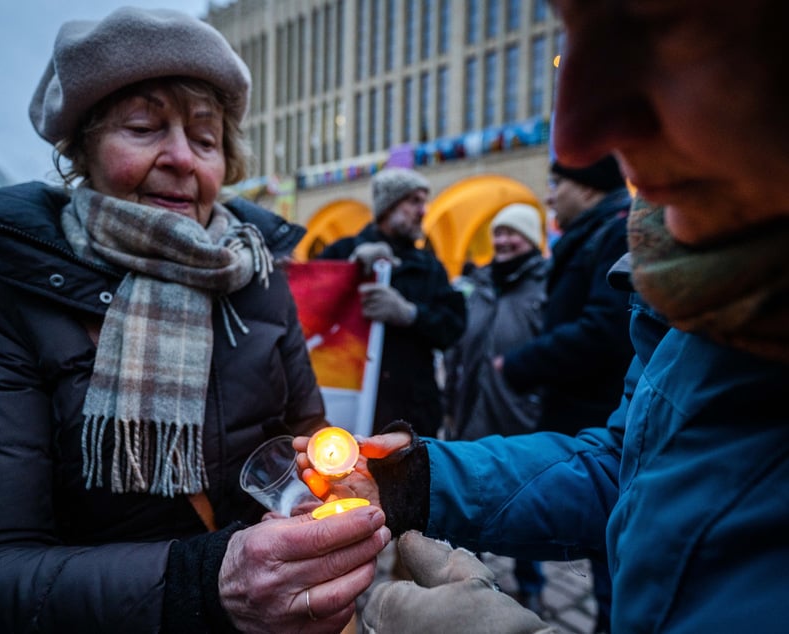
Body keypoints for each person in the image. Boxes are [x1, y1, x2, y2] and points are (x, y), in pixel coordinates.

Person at [297, 0, 789, 631]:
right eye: (572, 42)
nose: (576, 131)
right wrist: (420, 482)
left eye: (664, 28)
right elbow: (632, 466)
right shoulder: (694, 271)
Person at [0, 8, 389, 633]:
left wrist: (335, 492)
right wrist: (205, 583)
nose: (183, 158)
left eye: (206, 140)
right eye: (143, 127)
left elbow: (303, 440)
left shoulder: (258, 278)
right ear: (81, 148)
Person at [490, 155, 633, 631]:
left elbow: (603, 329)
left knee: (610, 560)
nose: (549, 195)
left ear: (588, 186)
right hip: (578, 416)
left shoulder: (613, 232)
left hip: (598, 424)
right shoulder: (591, 234)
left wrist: (520, 364)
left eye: (557, 184)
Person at [441, 202, 548, 613]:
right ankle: (470, 581)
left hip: (522, 413)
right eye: (498, 233)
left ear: (531, 238)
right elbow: (458, 346)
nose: (503, 240)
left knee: (530, 502)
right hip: (471, 409)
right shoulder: (480, 284)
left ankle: (531, 581)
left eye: (513, 233)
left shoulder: (546, 284)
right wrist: (451, 398)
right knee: (469, 496)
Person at [317, 167, 465, 437]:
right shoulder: (342, 250)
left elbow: (453, 326)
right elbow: (311, 312)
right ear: (389, 206)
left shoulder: (430, 267)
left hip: (412, 411)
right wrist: (348, 273)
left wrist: (410, 314)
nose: (423, 210)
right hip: (353, 406)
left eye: (424, 201)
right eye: (414, 201)